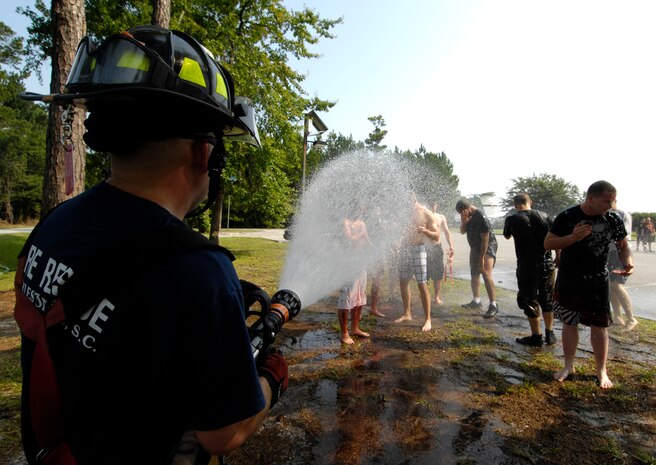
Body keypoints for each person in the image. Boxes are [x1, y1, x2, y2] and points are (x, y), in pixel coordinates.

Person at [14, 26, 288, 464]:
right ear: (205, 154)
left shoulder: (54, 224)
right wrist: (271, 378)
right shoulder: (197, 271)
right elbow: (224, 433)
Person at [544, 180, 633, 389]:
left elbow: (623, 245)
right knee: (569, 322)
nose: (610, 206)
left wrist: (628, 261)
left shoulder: (612, 219)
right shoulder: (568, 216)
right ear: (590, 198)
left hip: (598, 278)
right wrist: (572, 237)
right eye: (606, 201)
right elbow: (548, 243)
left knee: (600, 326)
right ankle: (568, 366)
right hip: (570, 276)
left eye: (613, 201)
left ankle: (601, 371)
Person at [502, 193, 557, 346]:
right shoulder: (546, 216)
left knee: (529, 299)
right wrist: (558, 256)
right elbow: (556, 237)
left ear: (515, 204)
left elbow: (507, 236)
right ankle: (550, 333)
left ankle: (536, 336)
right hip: (547, 263)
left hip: (527, 265)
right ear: (530, 202)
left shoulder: (512, 218)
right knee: (547, 298)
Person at [394, 193, 440, 332]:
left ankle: (428, 319)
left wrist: (425, 231)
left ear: (413, 199)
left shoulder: (425, 213)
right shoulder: (403, 213)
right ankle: (407, 313)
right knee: (403, 281)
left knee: (421, 283)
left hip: (418, 249)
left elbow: (437, 236)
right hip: (404, 248)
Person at [455, 199, 499, 318]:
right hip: (475, 247)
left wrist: (481, 258)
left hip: (487, 247)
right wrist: (463, 222)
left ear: (467, 208)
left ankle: (493, 305)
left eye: (462, 213)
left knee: (486, 273)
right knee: (474, 273)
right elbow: (462, 231)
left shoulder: (480, 216)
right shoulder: (467, 216)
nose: (462, 215)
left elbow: (485, 239)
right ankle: (476, 301)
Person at [338, 209, 373, 344]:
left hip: (360, 262)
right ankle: (344, 333)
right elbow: (349, 240)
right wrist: (361, 235)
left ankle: (355, 328)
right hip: (348, 262)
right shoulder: (345, 222)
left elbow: (368, 241)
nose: (363, 210)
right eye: (361, 207)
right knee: (346, 297)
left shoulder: (362, 223)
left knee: (359, 296)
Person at [607, 201, 639, 331]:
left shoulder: (621, 214)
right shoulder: (608, 214)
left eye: (610, 201)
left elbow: (622, 238)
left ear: (615, 201)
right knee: (610, 285)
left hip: (618, 253)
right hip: (609, 252)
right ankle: (618, 317)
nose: (607, 204)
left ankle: (631, 318)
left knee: (616, 284)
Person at [427, 201, 455, 305]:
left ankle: (437, 297)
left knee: (438, 273)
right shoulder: (424, 216)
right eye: (430, 204)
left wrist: (451, 246)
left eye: (434, 204)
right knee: (424, 274)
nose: (432, 206)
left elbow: (447, 232)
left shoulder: (441, 217)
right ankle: (425, 296)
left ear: (436, 205)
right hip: (425, 247)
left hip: (437, 247)